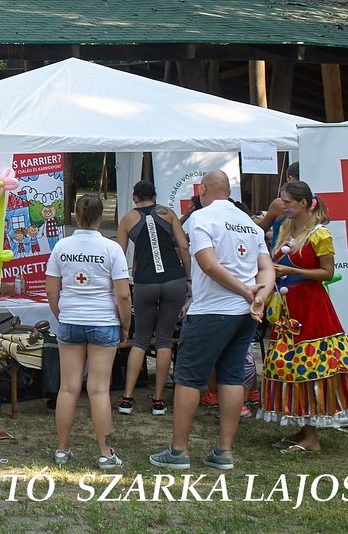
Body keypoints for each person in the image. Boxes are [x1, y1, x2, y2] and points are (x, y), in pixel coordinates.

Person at [149, 170, 273, 472]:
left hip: (211, 311)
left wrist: (246, 291)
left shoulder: (201, 219)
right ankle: (224, 451)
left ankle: (178, 451)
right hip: (245, 313)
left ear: (203, 189)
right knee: (231, 376)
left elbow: (207, 262)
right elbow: (267, 268)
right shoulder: (249, 223)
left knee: (189, 378)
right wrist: (259, 296)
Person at [260, 181, 348, 452]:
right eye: (282, 201)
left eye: (287, 202)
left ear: (304, 203)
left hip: (312, 308)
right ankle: (305, 429)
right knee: (290, 364)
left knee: (312, 365)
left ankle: (312, 437)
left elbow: (327, 273)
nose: (283, 206)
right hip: (287, 307)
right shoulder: (283, 228)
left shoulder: (320, 235)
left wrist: (294, 273)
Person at [46, 193, 131, 469]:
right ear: (102, 217)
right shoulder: (112, 248)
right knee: (99, 391)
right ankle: (105, 454)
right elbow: (123, 295)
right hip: (104, 322)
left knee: (68, 388)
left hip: (70, 320)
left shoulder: (61, 246)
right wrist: (125, 325)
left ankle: (62, 449)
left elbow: (51, 289)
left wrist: (62, 315)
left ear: (75, 216)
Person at [115, 181, 190, 416]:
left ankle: (127, 398)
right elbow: (184, 246)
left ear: (135, 197)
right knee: (165, 339)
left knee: (140, 340)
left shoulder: (128, 219)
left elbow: (119, 252)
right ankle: (158, 401)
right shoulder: (168, 213)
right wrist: (188, 279)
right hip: (174, 280)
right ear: (155, 196)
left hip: (145, 282)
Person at [253, 162, 300, 247]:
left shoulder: (280, 204)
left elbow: (260, 229)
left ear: (291, 178)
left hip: (281, 256)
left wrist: (252, 221)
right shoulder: (315, 202)